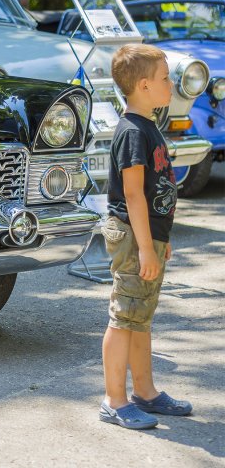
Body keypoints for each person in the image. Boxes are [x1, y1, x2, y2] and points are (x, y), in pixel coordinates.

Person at [99, 44, 191, 430]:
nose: (171, 84)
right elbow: (133, 194)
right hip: (134, 238)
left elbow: (153, 192)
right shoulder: (134, 133)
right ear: (143, 85)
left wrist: (159, 238)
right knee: (124, 317)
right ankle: (114, 401)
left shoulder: (147, 125)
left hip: (147, 237)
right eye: (165, 78)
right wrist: (143, 246)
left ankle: (146, 391)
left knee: (140, 316)